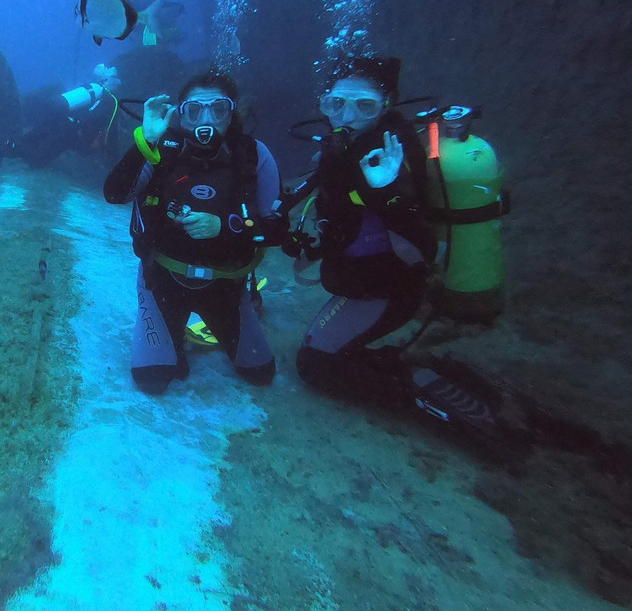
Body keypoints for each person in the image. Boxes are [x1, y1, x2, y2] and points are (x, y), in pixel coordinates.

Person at [285, 56, 498, 436]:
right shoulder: (344, 146)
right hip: (362, 282)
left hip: (386, 291)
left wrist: (387, 192)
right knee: (330, 351)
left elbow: (422, 251)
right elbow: (342, 216)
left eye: (363, 105)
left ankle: (416, 392)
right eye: (335, 104)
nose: (346, 116)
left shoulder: (391, 153)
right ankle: (399, 364)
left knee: (314, 365)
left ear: (386, 105)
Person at [104, 69, 285, 394]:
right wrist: (145, 141)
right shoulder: (162, 149)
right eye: (194, 109)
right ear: (181, 113)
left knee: (260, 372)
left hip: (226, 285)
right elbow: (115, 194)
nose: (207, 119)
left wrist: (224, 227)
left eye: (218, 109)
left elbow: (277, 230)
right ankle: (170, 335)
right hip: (163, 282)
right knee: (152, 379)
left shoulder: (254, 156)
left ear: (232, 114)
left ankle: (250, 301)